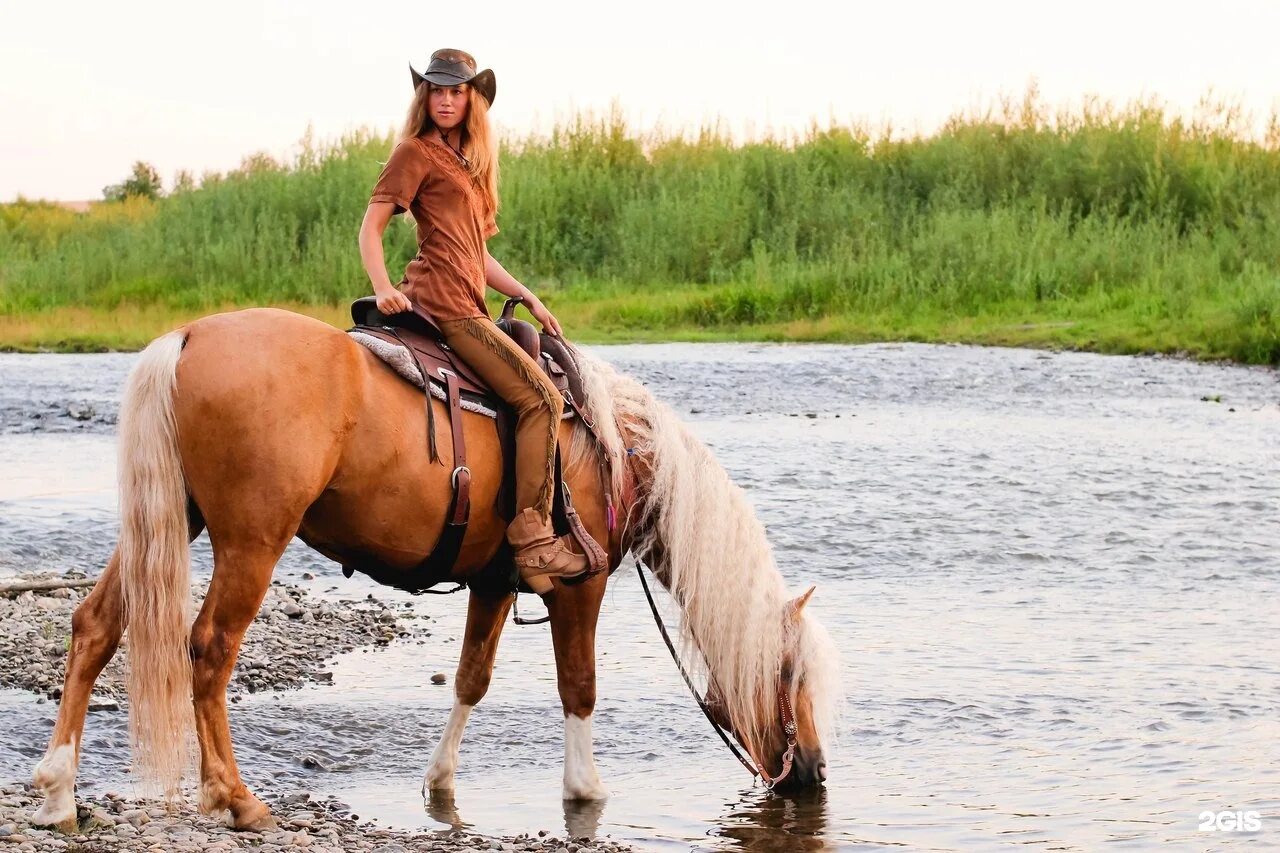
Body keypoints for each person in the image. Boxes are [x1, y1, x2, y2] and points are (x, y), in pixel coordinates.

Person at [357, 48, 585, 594]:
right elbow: (372, 226)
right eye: (436, 90)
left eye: (455, 91)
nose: (445, 99)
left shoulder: (468, 167)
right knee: (542, 401)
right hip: (446, 307)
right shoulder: (414, 153)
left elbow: (477, 255)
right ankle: (533, 538)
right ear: (424, 97)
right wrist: (384, 288)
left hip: (468, 297)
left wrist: (527, 295)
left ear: (472, 99)